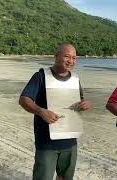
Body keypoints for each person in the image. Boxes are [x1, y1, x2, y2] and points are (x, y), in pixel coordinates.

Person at [19, 43, 92, 180]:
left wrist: (85, 104)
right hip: (47, 143)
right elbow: (24, 99)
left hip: (70, 142)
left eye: (74, 58)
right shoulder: (40, 76)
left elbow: (80, 100)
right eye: (67, 56)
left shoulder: (75, 79)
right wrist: (41, 111)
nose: (71, 61)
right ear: (56, 56)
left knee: (65, 177)